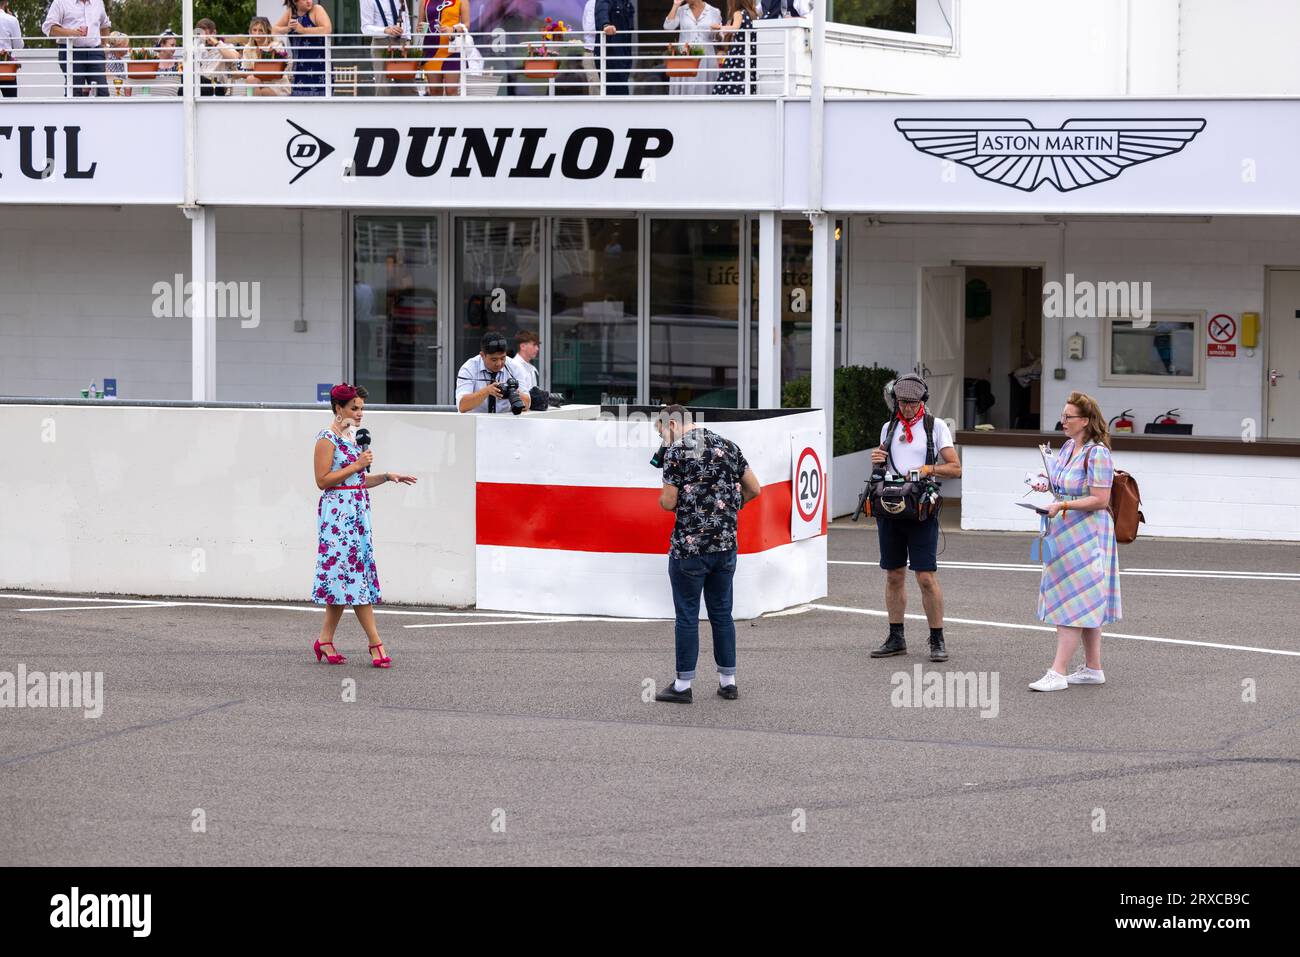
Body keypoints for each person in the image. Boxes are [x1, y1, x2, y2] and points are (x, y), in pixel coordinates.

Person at [653, 406, 762, 703]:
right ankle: (729, 681)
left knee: (687, 615)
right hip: (725, 545)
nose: (663, 440)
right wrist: (727, 508)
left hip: (689, 548)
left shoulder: (676, 452)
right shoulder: (728, 445)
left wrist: (669, 502)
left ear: (672, 424)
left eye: (662, 432)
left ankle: (682, 686)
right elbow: (755, 488)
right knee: (722, 614)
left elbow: (668, 501)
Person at [312, 383, 417, 668]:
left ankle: (325, 640)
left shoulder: (351, 439)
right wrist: (357, 465)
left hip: (356, 512)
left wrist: (385, 476)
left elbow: (356, 481)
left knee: (344, 579)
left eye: (361, 408)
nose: (360, 414)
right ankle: (375, 643)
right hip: (338, 516)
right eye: (353, 408)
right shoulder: (327, 438)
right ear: (338, 409)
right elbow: (323, 480)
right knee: (356, 579)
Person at [1026, 392, 1122, 692]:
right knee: (1084, 600)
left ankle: (1058, 671)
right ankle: (1093, 668)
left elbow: (1100, 498)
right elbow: (1060, 482)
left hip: (1088, 533)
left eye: (1069, 417)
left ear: (1086, 420)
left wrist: (1063, 506)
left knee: (1073, 600)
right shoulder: (1068, 447)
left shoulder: (1098, 453)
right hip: (1065, 531)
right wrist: (1044, 482)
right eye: (1063, 415)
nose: (1063, 421)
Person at [868, 373, 962, 662]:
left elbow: (955, 468)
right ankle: (896, 637)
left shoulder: (936, 428)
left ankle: (937, 638)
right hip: (891, 504)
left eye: (912, 402)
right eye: (901, 402)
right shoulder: (889, 426)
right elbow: (883, 467)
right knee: (893, 574)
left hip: (920, 507)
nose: (906, 408)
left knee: (925, 576)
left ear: (922, 400)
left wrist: (926, 469)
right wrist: (877, 460)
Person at [43, 0, 111, 96]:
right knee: (74, 93)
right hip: (71, 52)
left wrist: (104, 46)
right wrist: (72, 33)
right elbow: (49, 28)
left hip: (95, 52)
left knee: (102, 93)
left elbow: (105, 25)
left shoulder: (98, 2)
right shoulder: (60, 2)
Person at [455, 331, 533, 414]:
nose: (499, 363)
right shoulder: (468, 368)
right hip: (475, 422)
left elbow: (527, 404)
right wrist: (486, 391)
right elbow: (462, 406)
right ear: (482, 355)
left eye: (503, 358)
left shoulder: (515, 367)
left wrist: (513, 391)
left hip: (505, 421)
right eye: (494, 359)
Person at [275, 0, 331, 97]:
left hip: (319, 68)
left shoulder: (317, 9)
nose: (309, 1)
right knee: (298, 105)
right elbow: (274, 29)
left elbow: (327, 29)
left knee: (320, 104)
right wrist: (287, 28)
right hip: (299, 70)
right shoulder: (290, 12)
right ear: (295, 1)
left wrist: (303, 30)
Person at [663, 0, 720, 96]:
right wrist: (675, 5)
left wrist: (717, 32)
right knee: (685, 90)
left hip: (705, 57)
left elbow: (720, 37)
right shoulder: (681, 10)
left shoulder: (714, 11)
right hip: (685, 55)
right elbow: (668, 26)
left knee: (704, 89)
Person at [362, 0, 412, 95]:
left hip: (402, 43)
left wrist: (408, 40)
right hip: (381, 42)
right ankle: (381, 109)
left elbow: (406, 20)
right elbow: (365, 28)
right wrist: (385, 30)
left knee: (408, 86)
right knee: (382, 86)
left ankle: (414, 109)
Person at [418, 0, 467, 97]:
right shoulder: (425, 1)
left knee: (451, 90)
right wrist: (420, 28)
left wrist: (453, 29)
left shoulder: (462, 1)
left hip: (452, 49)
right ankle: (436, 112)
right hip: (431, 48)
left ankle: (453, 113)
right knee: (434, 90)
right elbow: (421, 24)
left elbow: (467, 25)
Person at [711, 0, 755, 96]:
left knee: (732, 75)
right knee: (746, 76)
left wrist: (720, 27)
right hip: (750, 51)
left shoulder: (738, 13)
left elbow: (735, 27)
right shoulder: (752, 14)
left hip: (739, 51)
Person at [238, 17, 291, 96]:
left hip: (276, 83)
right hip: (260, 81)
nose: (257, 33)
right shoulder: (248, 48)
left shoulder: (275, 46)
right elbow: (248, 71)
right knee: (250, 79)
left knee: (263, 92)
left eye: (261, 30)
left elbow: (287, 65)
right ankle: (255, 105)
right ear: (250, 32)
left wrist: (264, 56)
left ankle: (254, 106)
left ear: (267, 31)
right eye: (254, 30)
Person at [594, 0, 634, 95]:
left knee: (622, 88)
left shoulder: (628, 4)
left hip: (624, 53)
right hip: (609, 53)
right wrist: (606, 25)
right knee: (616, 91)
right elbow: (601, 12)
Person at [195, 18, 239, 96]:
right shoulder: (198, 49)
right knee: (184, 85)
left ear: (214, 33)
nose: (202, 37)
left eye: (205, 33)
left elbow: (235, 58)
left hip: (217, 86)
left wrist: (216, 44)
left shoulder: (225, 46)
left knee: (199, 80)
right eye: (200, 34)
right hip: (199, 84)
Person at [0, 0, 22, 100]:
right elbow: (19, 45)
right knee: (11, 100)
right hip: (5, 65)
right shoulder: (11, 20)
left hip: (5, 63)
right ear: (6, 3)